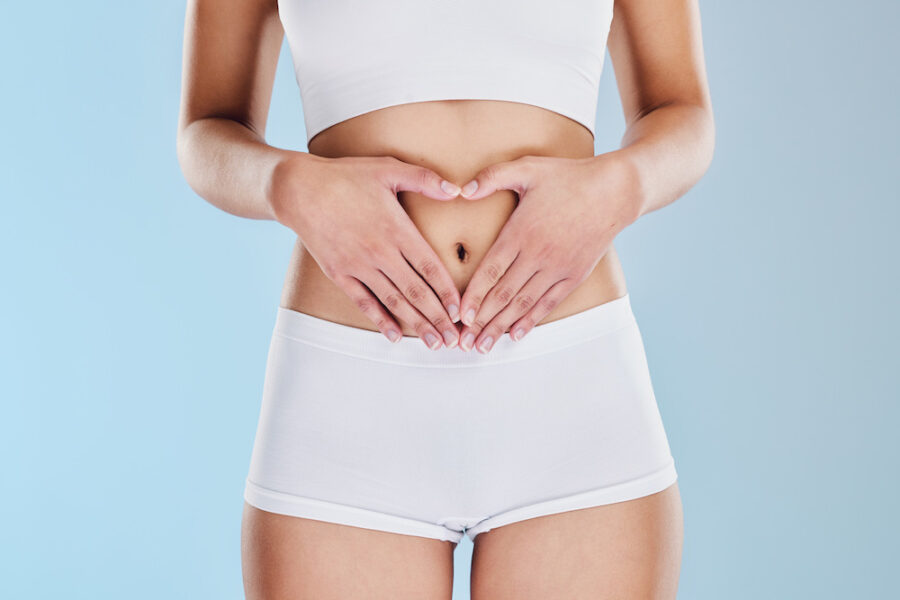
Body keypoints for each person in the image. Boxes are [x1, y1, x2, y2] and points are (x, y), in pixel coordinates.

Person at [176, 0, 714, 597]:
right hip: (347, 395)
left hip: (572, 386)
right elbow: (206, 130)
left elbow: (682, 112)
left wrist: (623, 185)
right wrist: (286, 183)